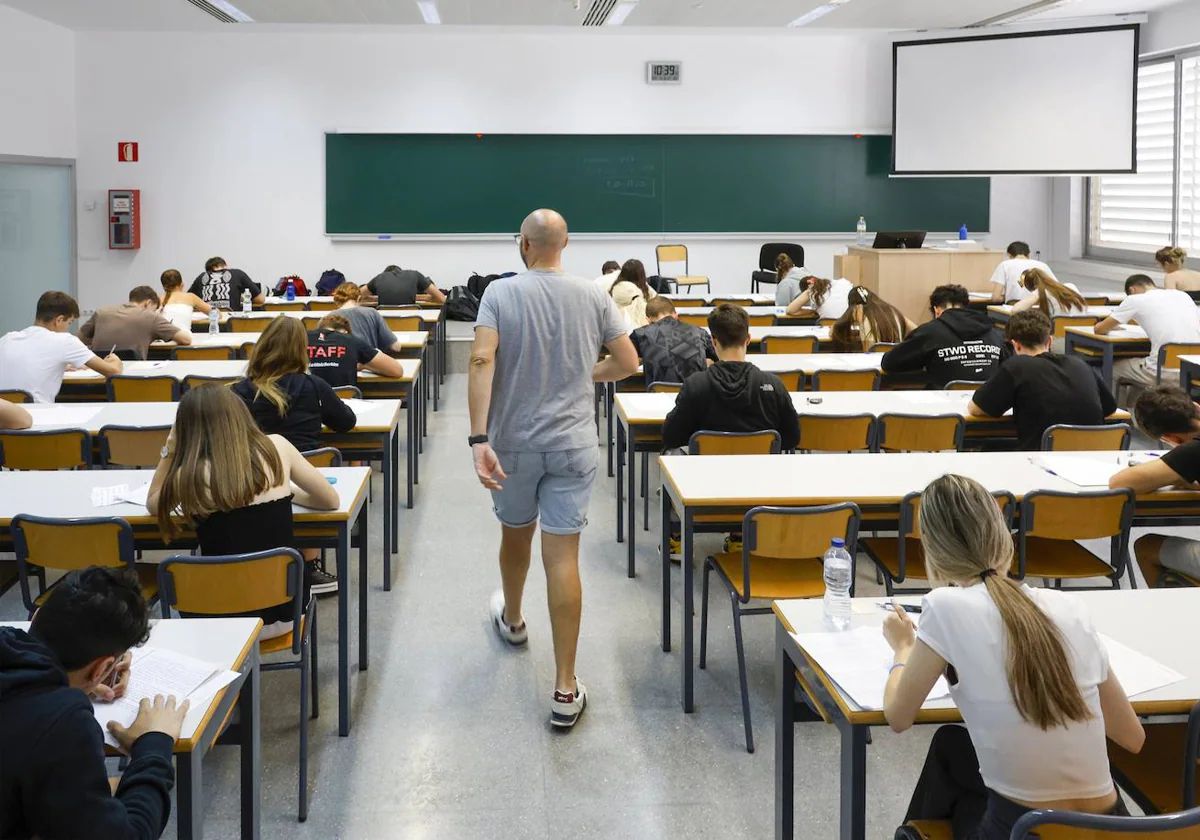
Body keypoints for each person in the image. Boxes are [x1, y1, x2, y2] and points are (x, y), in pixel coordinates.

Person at [884, 474, 1144, 839]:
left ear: (932, 549)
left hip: (1026, 831)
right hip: (1113, 828)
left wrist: (903, 649)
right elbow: (1132, 737)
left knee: (954, 763)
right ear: (1004, 535)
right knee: (952, 746)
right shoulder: (1069, 607)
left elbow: (898, 716)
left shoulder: (945, 607)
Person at [468, 208, 638, 729]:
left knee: (516, 535)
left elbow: (480, 361)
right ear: (566, 244)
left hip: (514, 443)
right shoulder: (592, 294)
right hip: (572, 445)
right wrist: (586, 374)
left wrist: (478, 437)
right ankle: (565, 686)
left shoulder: (499, 294)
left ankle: (514, 621)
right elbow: (630, 363)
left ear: (524, 244)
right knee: (563, 557)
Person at [0, 566, 190, 840]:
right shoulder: (64, 724)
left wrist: (72, 680)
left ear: (38, 616)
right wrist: (154, 745)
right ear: (101, 668)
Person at [147, 385, 342, 629]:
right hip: (287, 616)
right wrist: (285, 490)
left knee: (156, 608)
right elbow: (330, 500)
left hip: (219, 621)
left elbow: (153, 503)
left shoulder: (189, 475)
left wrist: (169, 450)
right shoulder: (278, 447)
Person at [968, 310, 1116, 451]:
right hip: (1092, 458)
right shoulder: (1079, 364)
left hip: (1041, 458)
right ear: (1049, 341)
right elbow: (1110, 408)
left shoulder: (1016, 367)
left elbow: (977, 409)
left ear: (1015, 345)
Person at [661, 304, 800, 451]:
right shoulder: (773, 385)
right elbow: (792, 438)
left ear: (714, 342)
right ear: (748, 340)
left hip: (706, 470)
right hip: (760, 470)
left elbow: (671, 436)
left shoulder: (695, 385)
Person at [1110, 385, 1200, 586]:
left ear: (1170, 439)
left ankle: (1170, 614)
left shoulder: (1192, 452)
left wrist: (1174, 474)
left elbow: (1119, 483)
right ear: (1196, 407)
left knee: (1146, 546)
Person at [1094, 273, 1200, 407]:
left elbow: (1100, 329)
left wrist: (1104, 326)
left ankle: (1117, 417)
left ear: (1132, 290)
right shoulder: (1182, 296)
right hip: (1192, 371)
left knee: (1113, 369)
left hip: (1161, 371)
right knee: (1137, 380)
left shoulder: (1135, 299)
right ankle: (1137, 417)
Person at [0, 291, 123, 403]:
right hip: (37, 416)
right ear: (59, 320)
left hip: (5, 415)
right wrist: (115, 361)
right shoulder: (65, 341)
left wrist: (57, 366)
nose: (68, 328)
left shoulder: (7, 338)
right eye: (69, 323)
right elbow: (112, 372)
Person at [881, 284, 1008, 388]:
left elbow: (889, 363)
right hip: (988, 408)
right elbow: (1007, 365)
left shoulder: (930, 332)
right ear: (965, 306)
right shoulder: (993, 332)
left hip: (942, 412)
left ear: (936, 310)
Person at [78, 286, 192, 360]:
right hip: (133, 374)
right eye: (154, 308)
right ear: (148, 303)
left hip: (99, 368)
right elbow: (186, 339)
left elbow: (79, 339)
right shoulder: (151, 316)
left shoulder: (101, 312)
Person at [630, 297, 717, 385]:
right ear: (675, 314)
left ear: (648, 319)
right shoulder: (699, 332)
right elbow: (719, 357)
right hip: (696, 393)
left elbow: (625, 361)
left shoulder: (640, 334)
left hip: (659, 394)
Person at [306, 313, 405, 388]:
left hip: (304, 402)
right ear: (345, 331)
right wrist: (364, 365)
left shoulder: (302, 338)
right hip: (343, 403)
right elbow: (397, 370)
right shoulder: (351, 340)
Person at [331, 282, 410, 354]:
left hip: (342, 365)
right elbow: (396, 347)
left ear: (337, 300)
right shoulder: (372, 313)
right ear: (359, 298)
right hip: (369, 365)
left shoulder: (330, 317)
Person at [829, 285, 914, 352]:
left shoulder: (858, 309)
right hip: (894, 362)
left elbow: (833, 331)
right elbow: (915, 328)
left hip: (870, 365)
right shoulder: (891, 310)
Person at [989, 241, 1056, 303]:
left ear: (1009, 255)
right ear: (1029, 254)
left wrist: (1007, 297)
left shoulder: (1005, 265)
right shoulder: (1043, 265)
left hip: (1015, 308)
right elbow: (1056, 289)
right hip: (1039, 308)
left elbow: (995, 298)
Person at [189, 256, 263, 310]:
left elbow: (188, 302)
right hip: (231, 323)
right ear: (225, 266)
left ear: (208, 271)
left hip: (208, 323)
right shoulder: (238, 274)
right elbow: (260, 299)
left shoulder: (201, 277)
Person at [609, 258, 658, 330]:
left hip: (619, 326)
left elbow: (655, 298)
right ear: (641, 274)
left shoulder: (617, 287)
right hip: (630, 326)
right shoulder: (626, 288)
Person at [366, 264, 446, 307]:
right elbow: (441, 298)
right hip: (412, 324)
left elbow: (359, 295)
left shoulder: (379, 279)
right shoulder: (415, 276)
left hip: (385, 326)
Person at [785, 275, 852, 320]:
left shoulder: (813, 290)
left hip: (829, 328)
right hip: (849, 324)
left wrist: (812, 311)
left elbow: (790, 310)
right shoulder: (844, 282)